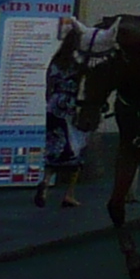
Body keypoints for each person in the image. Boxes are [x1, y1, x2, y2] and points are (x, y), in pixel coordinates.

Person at [37, 18, 88, 208]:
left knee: (54, 147)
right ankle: (69, 194)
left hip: (53, 104)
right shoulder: (79, 62)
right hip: (70, 106)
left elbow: (48, 83)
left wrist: (48, 101)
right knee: (76, 149)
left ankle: (45, 182)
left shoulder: (57, 60)